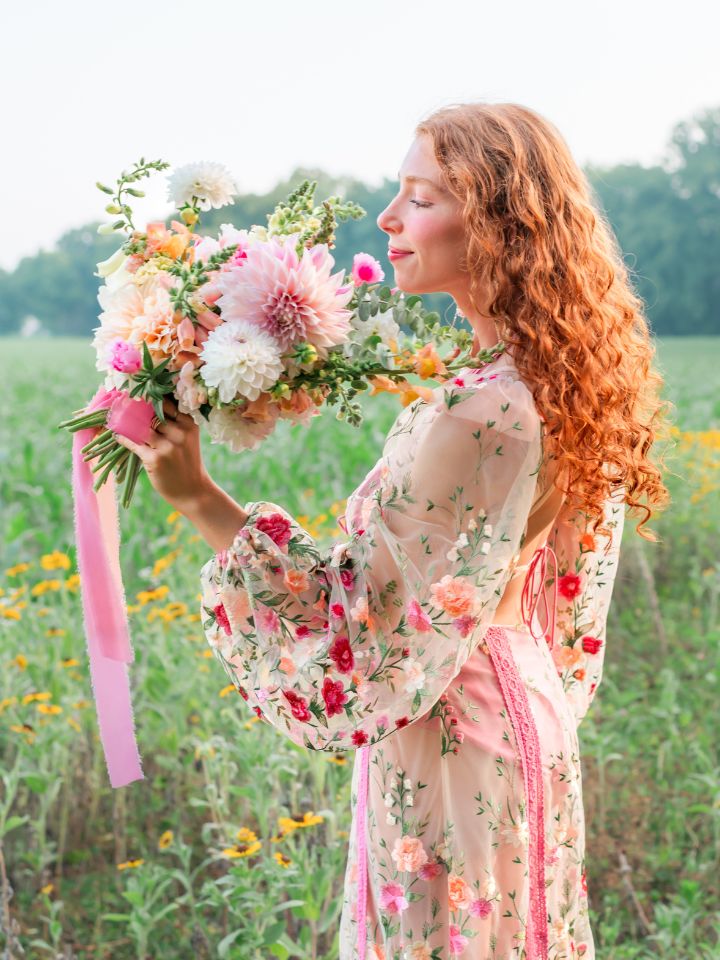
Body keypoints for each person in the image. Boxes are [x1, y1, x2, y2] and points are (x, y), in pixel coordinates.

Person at [113, 102, 671, 959]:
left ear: (497, 224)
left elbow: (366, 624)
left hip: (453, 727)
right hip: (515, 704)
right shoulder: (548, 378)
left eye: (421, 196)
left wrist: (196, 498)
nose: (386, 218)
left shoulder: (479, 411)